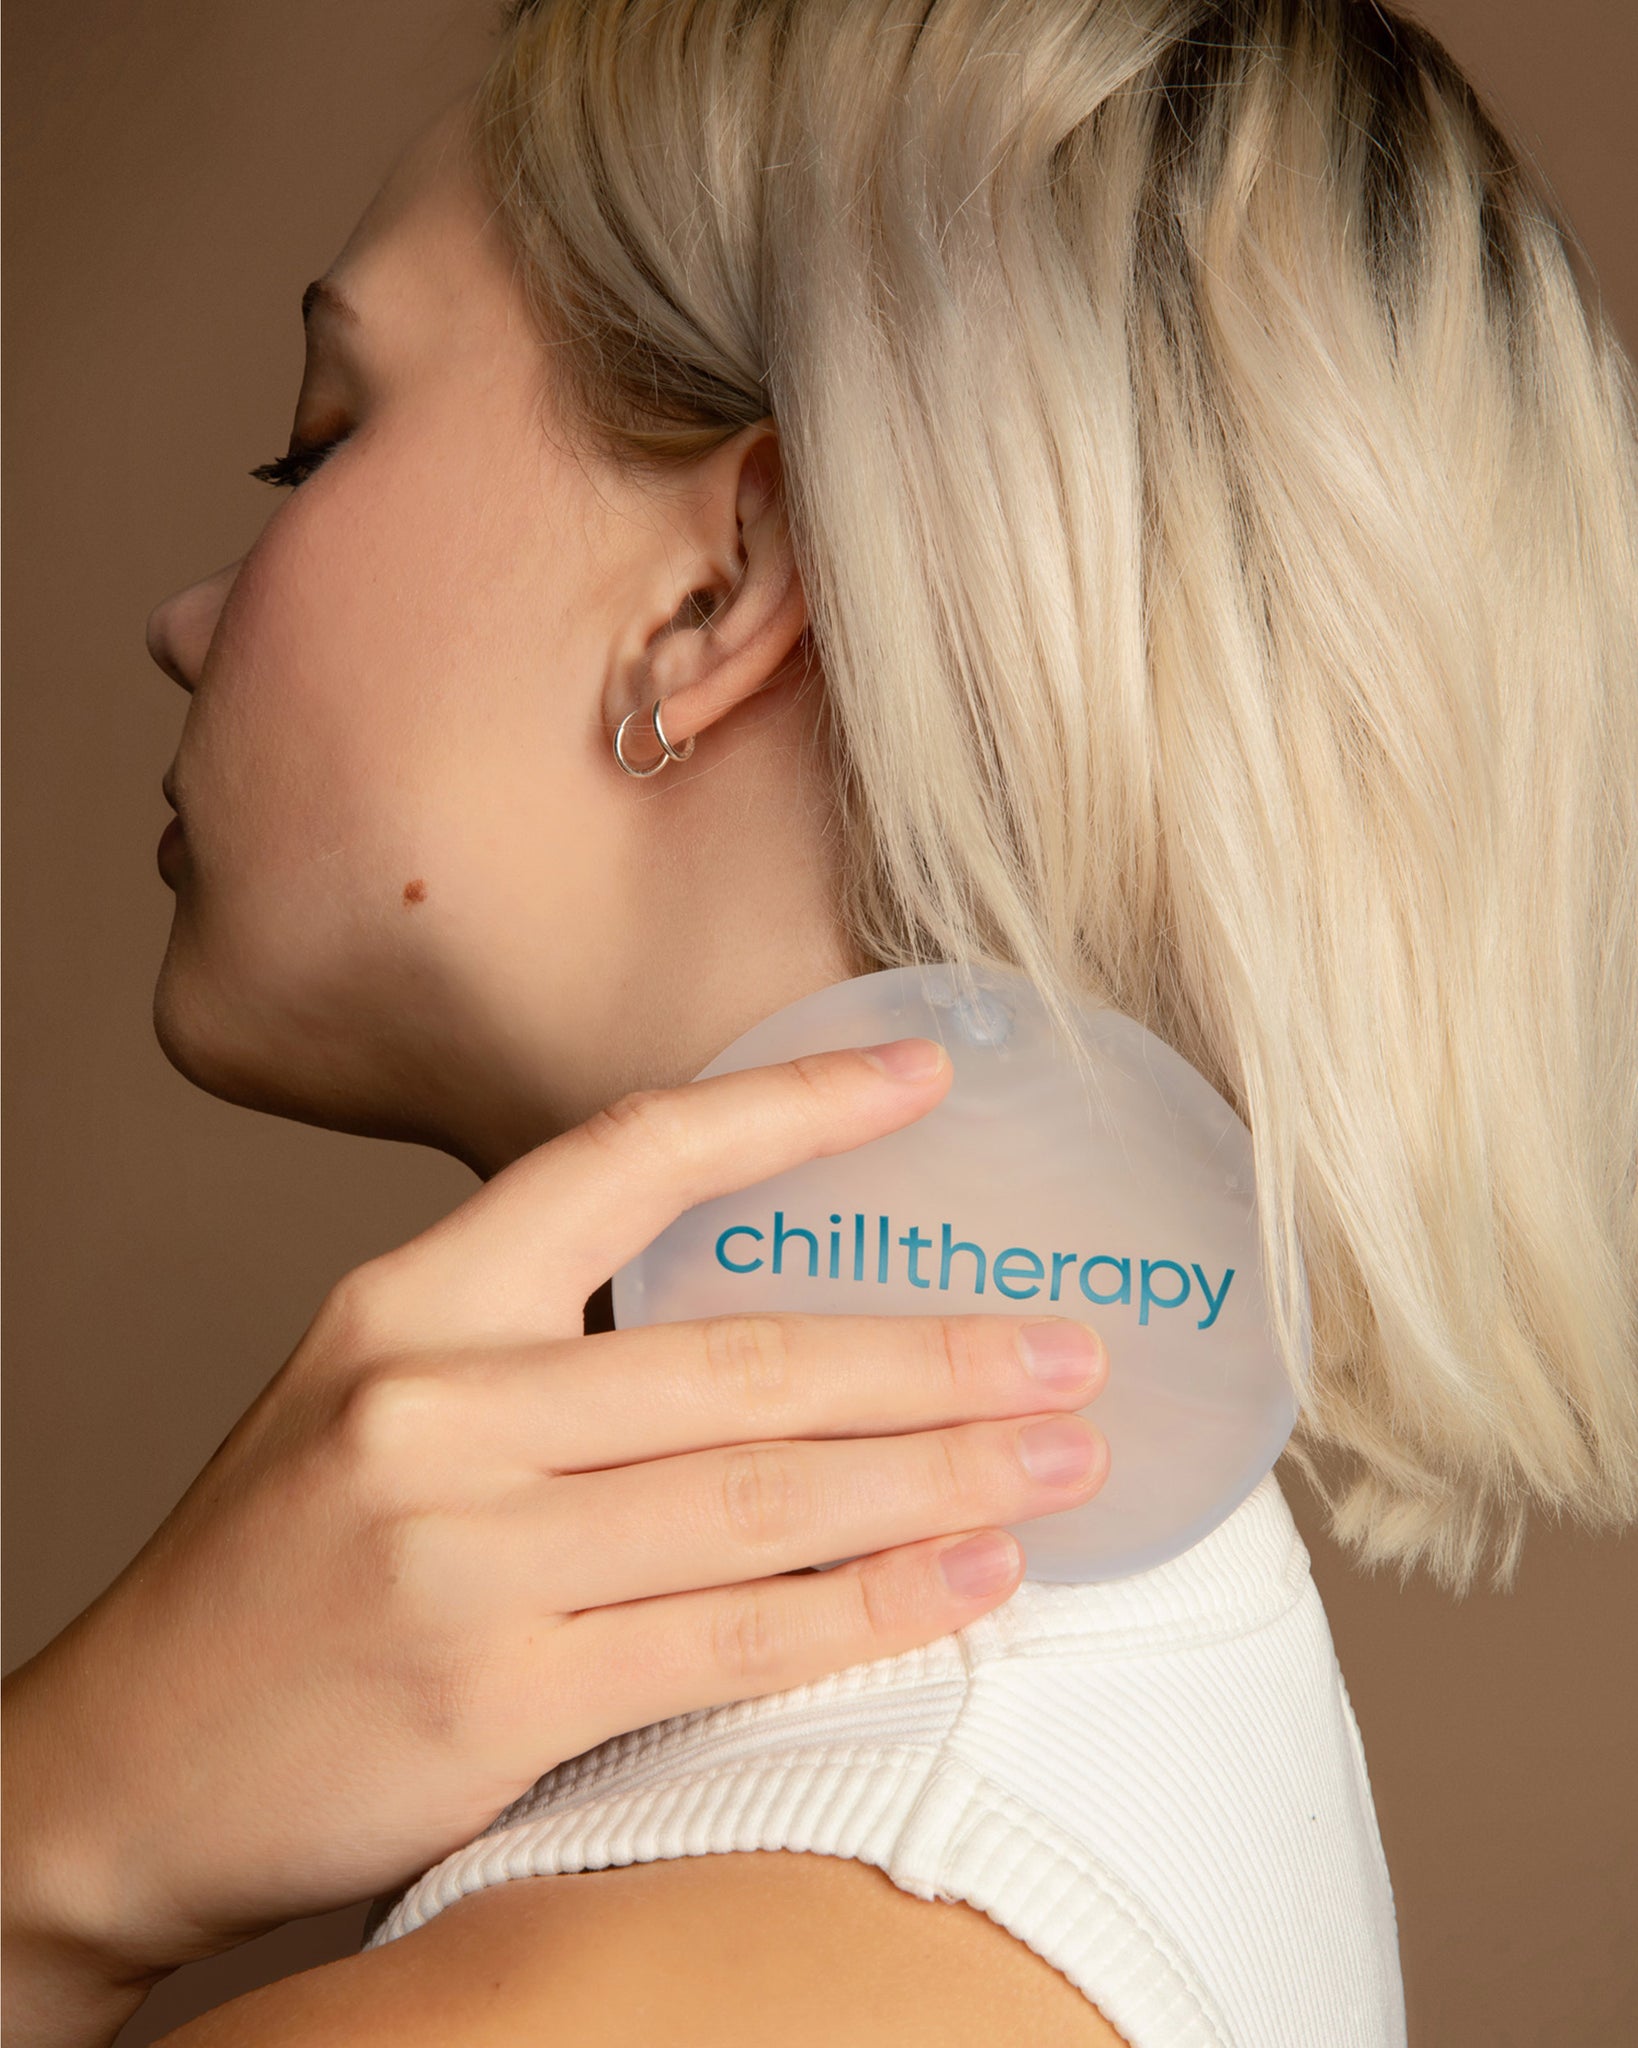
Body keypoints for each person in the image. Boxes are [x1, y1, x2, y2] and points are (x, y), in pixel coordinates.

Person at [6, 0, 1636, 2042]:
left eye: (320, 436)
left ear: (719, 590)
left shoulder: (616, 1992)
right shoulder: (1101, 1703)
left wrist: (49, 1848)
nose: (185, 617)